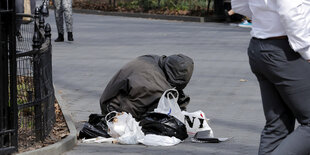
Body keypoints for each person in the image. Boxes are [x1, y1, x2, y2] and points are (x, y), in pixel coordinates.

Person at [232, 0, 310, 154]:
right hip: (286, 51)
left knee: (277, 124)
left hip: (260, 47)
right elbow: (290, 11)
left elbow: (238, 5)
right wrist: (307, 50)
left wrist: (265, 18)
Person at [100, 54, 194, 120]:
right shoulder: (152, 83)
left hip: (113, 98)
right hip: (114, 109)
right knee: (160, 98)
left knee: (165, 97)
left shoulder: (154, 60)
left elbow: (175, 92)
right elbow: (133, 107)